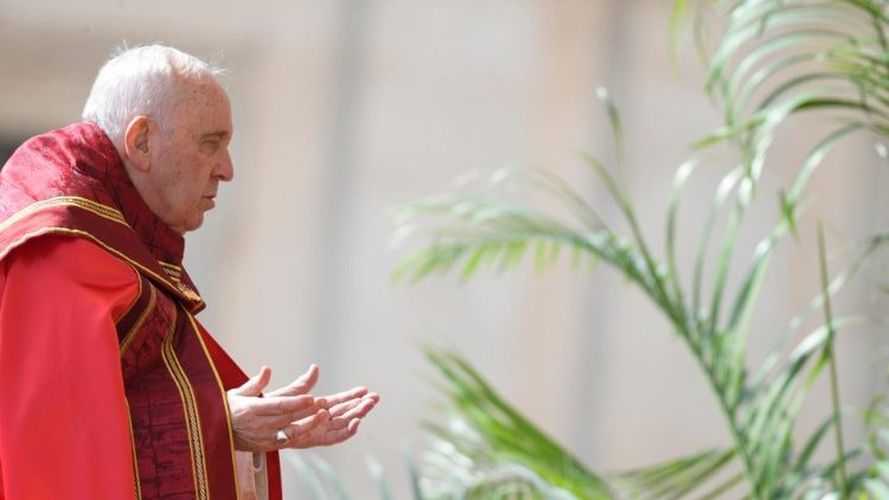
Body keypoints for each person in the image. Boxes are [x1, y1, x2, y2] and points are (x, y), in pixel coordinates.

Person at [0, 45, 378, 500]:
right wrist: (218, 424)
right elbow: (57, 453)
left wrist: (226, 425)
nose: (227, 169)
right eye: (210, 143)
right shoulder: (60, 247)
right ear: (141, 142)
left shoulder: (106, 232)